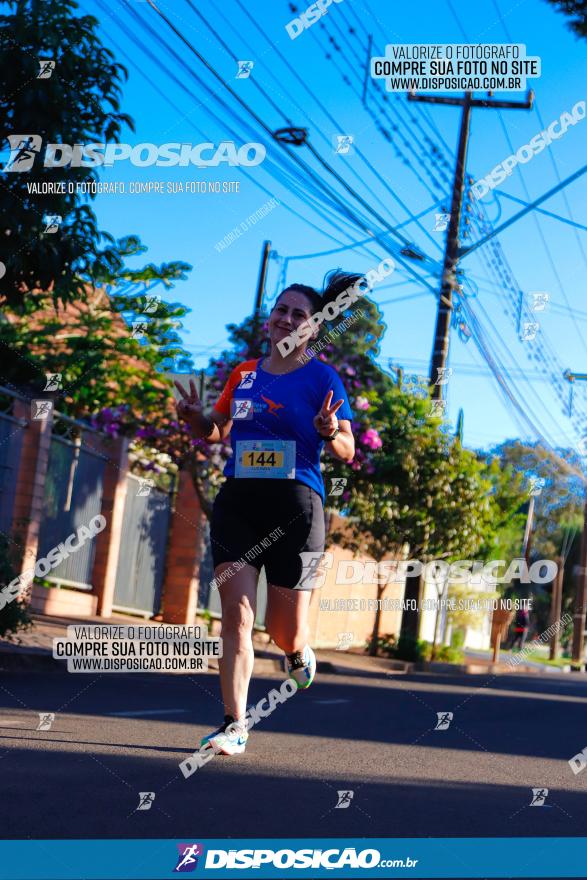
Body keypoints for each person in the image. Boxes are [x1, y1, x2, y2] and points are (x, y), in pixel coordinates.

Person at [175, 271, 360, 756]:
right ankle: (234, 723)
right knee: (234, 617)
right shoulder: (244, 373)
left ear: (314, 328)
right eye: (281, 309)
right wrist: (195, 417)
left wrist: (327, 429)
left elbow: (347, 448)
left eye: (299, 314)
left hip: (298, 507)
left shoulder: (323, 377)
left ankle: (297, 651)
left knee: (283, 630)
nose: (286, 318)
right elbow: (215, 429)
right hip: (239, 501)